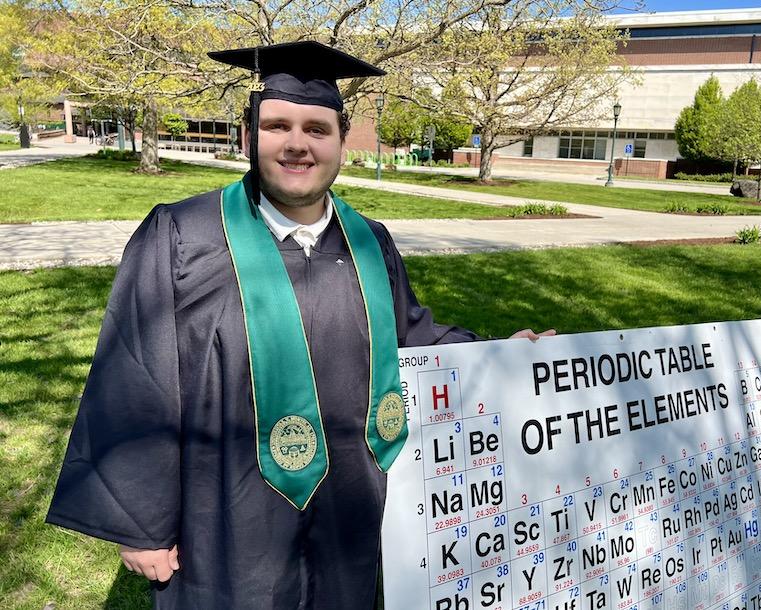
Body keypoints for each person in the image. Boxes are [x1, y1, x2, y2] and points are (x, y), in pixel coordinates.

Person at [46, 41, 553, 610]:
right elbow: (136, 376)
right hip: (227, 517)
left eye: (317, 128)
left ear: (340, 142)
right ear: (247, 138)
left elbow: (408, 335)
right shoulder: (182, 238)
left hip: (349, 506)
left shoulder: (369, 242)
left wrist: (499, 355)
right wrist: (142, 523)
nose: (297, 145)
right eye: (277, 126)